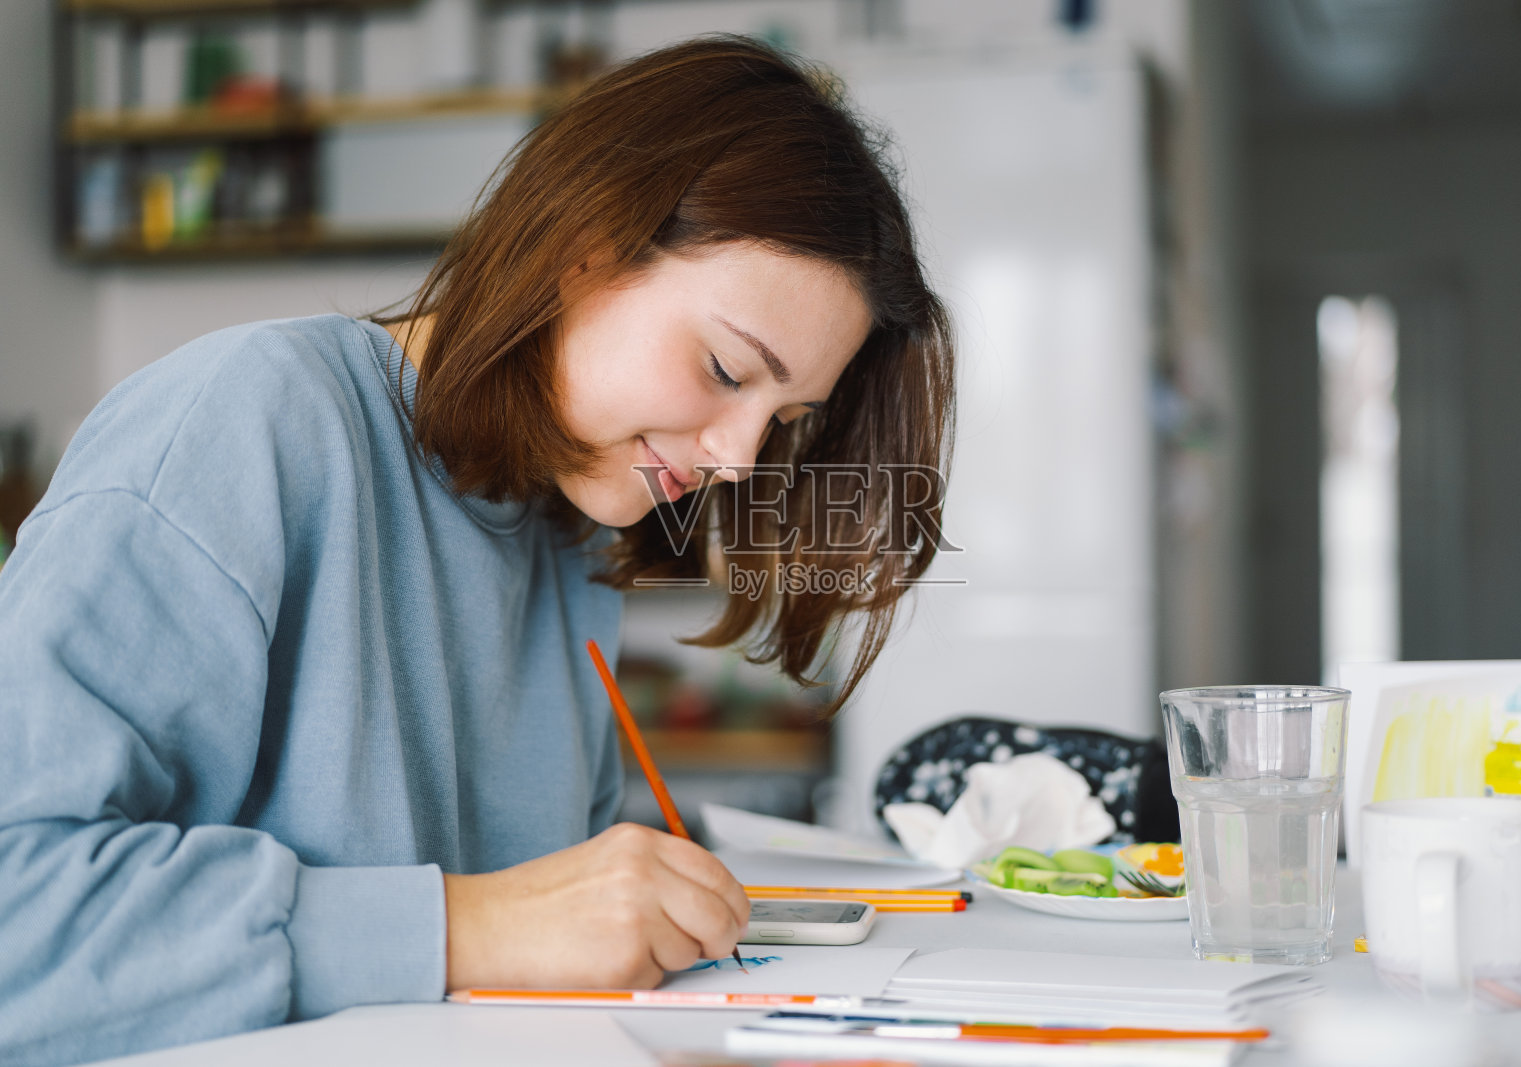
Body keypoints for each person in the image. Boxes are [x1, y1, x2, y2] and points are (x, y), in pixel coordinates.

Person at [0, 35, 955, 1066]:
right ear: (582, 249)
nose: (737, 456)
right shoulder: (246, 421)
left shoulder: (569, 533)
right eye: (726, 368)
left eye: (784, 416)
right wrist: (467, 923)